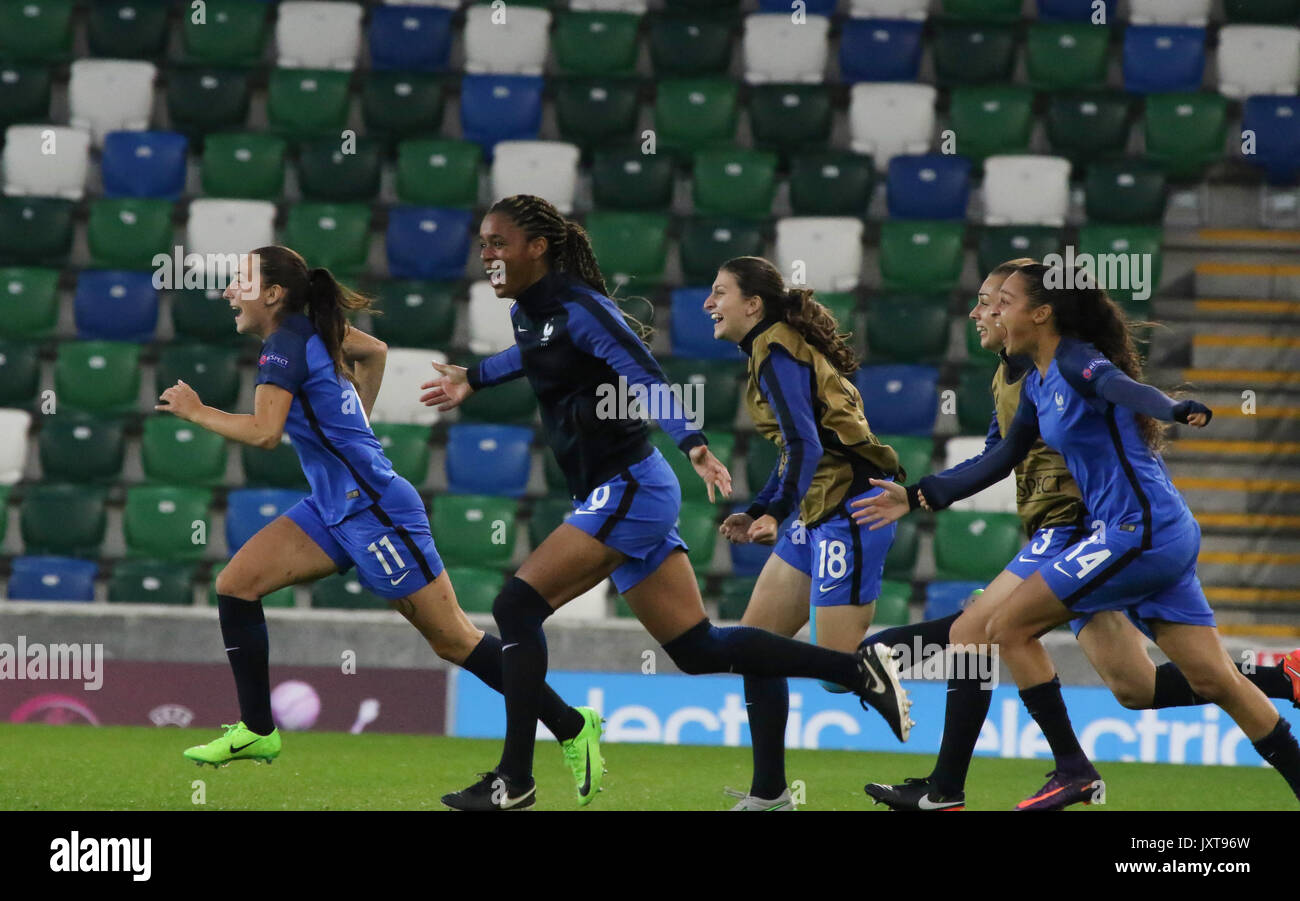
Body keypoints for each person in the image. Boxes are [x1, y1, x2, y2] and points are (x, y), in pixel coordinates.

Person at [419, 195, 911, 810]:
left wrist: (694, 443)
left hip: (629, 487)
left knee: (515, 608)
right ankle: (858, 673)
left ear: (538, 247)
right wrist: (474, 376)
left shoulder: (585, 308)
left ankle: (514, 778)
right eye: (483, 243)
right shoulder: (533, 312)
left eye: (498, 243)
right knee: (698, 649)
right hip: (619, 492)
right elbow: (536, 352)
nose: (487, 255)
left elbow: (645, 377)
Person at [159, 246, 605, 806]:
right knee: (235, 584)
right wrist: (355, 425)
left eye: (241, 282)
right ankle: (257, 730)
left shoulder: (284, 345)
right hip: (331, 507)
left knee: (455, 641)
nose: (229, 291)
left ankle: (570, 725)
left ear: (273, 294)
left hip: (376, 513)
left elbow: (266, 433)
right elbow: (374, 351)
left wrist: (197, 410)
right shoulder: (313, 330)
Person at [854, 262, 1300, 808]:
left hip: (1137, 531)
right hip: (1148, 532)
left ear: (1040, 313)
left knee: (1004, 625)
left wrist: (1173, 407)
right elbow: (1003, 456)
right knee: (1209, 683)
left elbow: (1119, 384)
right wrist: (918, 493)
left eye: (1003, 301)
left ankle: (1069, 769)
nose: (990, 311)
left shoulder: (1073, 359)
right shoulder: (1037, 382)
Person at [705, 256, 909, 811]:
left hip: (853, 509)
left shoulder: (775, 351)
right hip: (820, 508)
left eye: (720, 292)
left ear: (753, 304)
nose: (708, 303)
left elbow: (807, 446)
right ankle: (769, 794)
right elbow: (800, 447)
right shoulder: (775, 346)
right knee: (755, 647)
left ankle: (949, 633)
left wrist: (775, 512)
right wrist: (765, 507)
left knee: (837, 676)